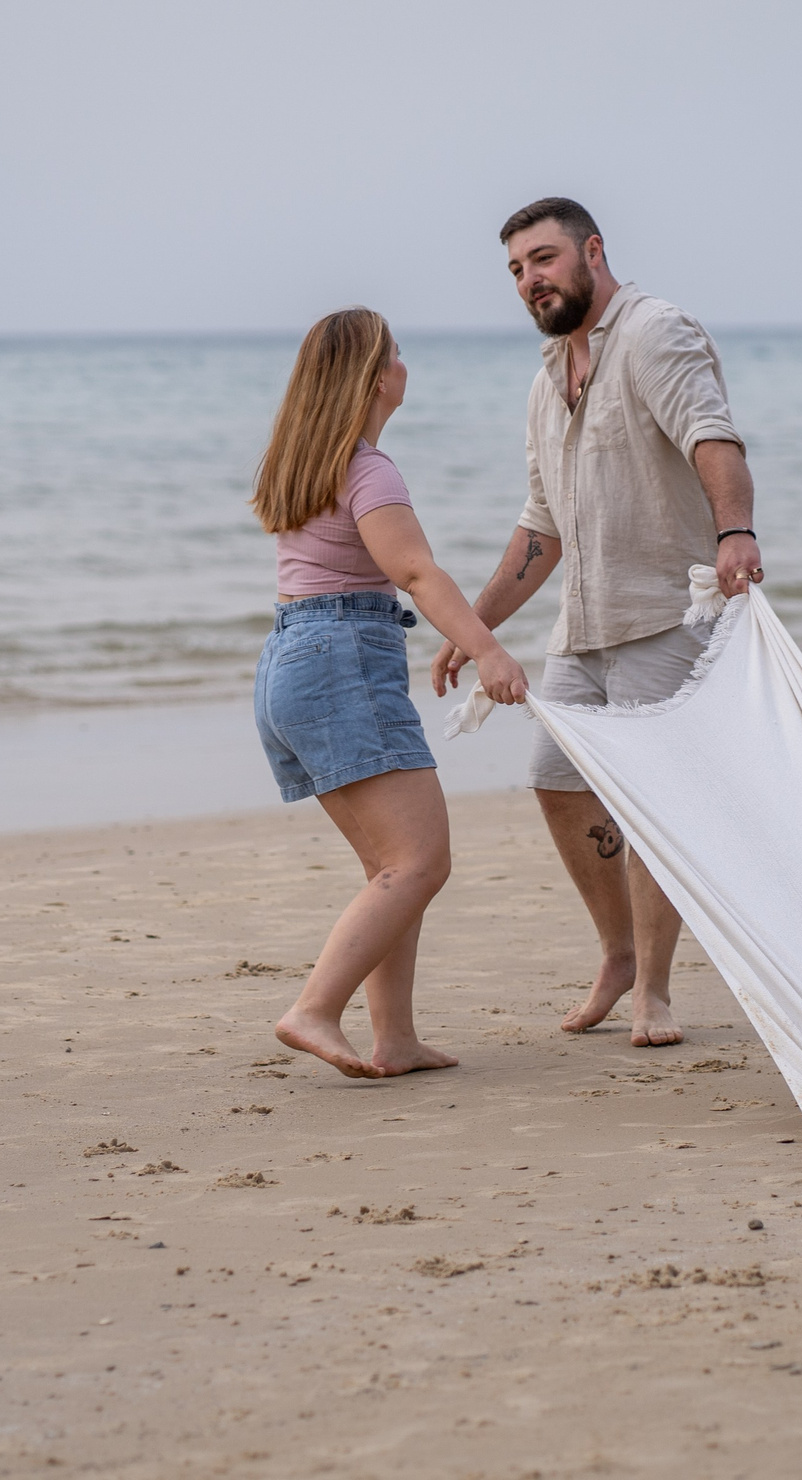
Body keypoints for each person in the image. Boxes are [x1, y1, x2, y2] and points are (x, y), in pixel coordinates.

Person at [428, 196, 760, 1048]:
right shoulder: (547, 377)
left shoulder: (656, 332)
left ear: (592, 252)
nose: (529, 280)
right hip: (583, 629)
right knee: (556, 780)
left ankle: (653, 989)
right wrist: (470, 628)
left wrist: (735, 532)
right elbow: (542, 526)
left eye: (542, 259)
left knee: (654, 805)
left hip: (663, 617)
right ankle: (617, 955)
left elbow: (712, 437)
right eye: (515, 270)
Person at [250, 308, 528, 1079]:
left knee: (391, 870)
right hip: (342, 659)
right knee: (420, 862)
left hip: (286, 663)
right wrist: (488, 650)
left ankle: (394, 1039)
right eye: (398, 352)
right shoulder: (370, 469)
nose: (407, 363)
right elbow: (415, 573)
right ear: (378, 377)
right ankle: (312, 1009)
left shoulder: (302, 460)